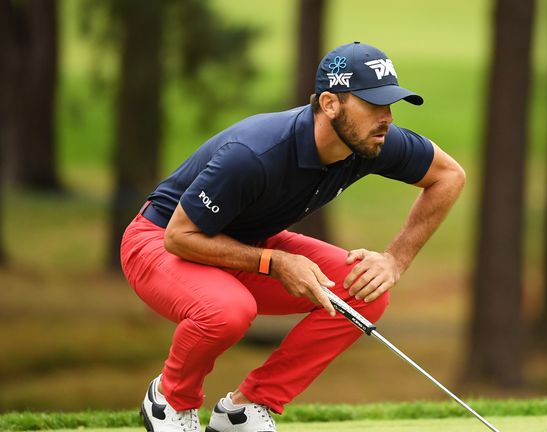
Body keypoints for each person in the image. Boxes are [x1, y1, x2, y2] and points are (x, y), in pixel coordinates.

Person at [121, 41, 465, 432]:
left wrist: (394, 259)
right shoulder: (253, 153)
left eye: (390, 105)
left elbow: (449, 176)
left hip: (247, 242)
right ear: (330, 104)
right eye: (373, 104)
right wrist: (276, 262)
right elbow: (179, 237)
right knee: (228, 311)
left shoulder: (373, 141)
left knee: (363, 292)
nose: (386, 118)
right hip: (158, 241)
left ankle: (245, 408)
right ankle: (171, 401)